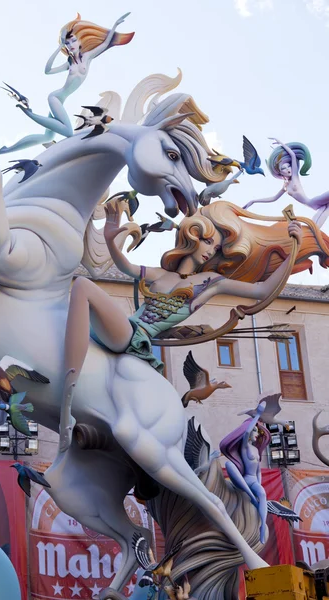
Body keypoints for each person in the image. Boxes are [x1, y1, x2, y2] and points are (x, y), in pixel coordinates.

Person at [60, 199, 307, 449]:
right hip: (122, 328)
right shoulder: (160, 274)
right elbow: (125, 266)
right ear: (193, 235)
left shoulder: (210, 281)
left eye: (217, 247)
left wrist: (293, 251)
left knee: (82, 286)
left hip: (134, 336)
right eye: (208, 241)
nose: (211, 251)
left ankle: (67, 392)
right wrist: (111, 239)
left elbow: (262, 290)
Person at [0, 13, 134, 154]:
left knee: (48, 137)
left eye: (73, 41)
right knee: (68, 132)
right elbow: (48, 70)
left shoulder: (87, 57)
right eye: (67, 42)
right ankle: (29, 114)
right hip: (55, 98)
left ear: (80, 42)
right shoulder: (69, 63)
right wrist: (59, 48)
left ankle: (8, 149)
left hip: (61, 100)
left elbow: (105, 43)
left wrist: (115, 24)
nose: (71, 45)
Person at [243, 138, 329, 227]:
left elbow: (292, 155)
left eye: (289, 166)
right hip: (312, 204)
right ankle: (314, 231)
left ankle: (314, 229)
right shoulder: (285, 187)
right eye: (284, 168)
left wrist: (281, 143)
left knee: (325, 210)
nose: (288, 169)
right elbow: (273, 198)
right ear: (280, 172)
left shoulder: (295, 176)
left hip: (313, 202)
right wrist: (253, 201)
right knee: (320, 218)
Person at [219, 401, 271, 543]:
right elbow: (247, 431)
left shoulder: (256, 450)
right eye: (255, 431)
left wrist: (259, 484)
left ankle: (262, 526)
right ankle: (252, 498)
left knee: (263, 493)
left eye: (258, 431)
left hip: (254, 480)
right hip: (245, 479)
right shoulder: (245, 446)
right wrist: (258, 414)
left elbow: (259, 471)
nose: (257, 434)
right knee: (229, 464)